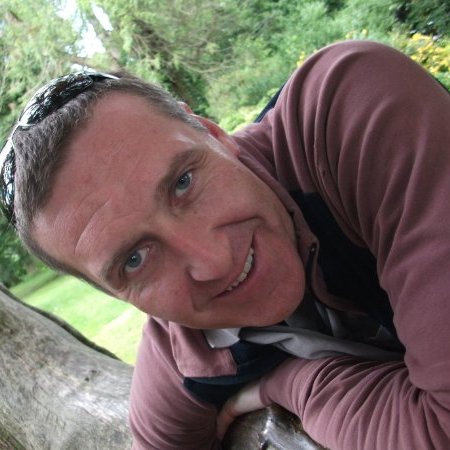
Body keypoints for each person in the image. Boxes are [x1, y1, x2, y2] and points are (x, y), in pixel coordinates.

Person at [1, 39, 450, 449]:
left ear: (214, 134)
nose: (213, 261)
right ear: (118, 295)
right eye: (135, 259)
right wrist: (305, 382)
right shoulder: (186, 352)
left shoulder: (347, 108)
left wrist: (286, 384)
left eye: (183, 183)